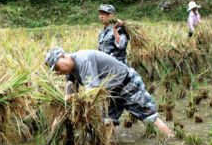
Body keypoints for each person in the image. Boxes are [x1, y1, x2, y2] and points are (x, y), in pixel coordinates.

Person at [44, 48, 174, 138]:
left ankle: (172, 138)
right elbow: (69, 94)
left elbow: (91, 93)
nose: (58, 72)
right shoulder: (70, 72)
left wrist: (84, 113)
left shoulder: (83, 59)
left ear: (63, 56)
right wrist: (59, 115)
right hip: (111, 93)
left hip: (126, 84)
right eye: (54, 71)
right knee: (105, 122)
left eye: (57, 67)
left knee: (149, 117)